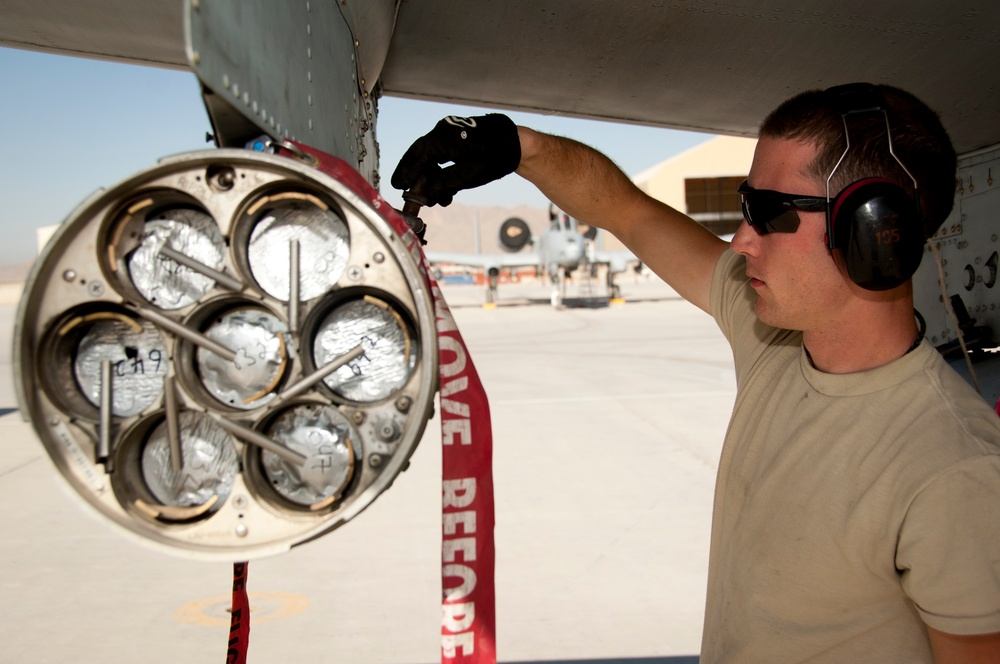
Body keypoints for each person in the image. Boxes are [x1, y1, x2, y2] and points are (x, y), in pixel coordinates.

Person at [392, 84, 1000, 662]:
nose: (740, 240)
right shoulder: (773, 340)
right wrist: (518, 146)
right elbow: (626, 212)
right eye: (745, 207)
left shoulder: (954, 471)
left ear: (871, 230)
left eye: (769, 213)